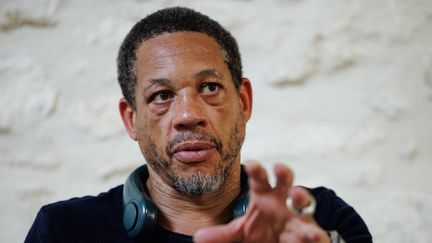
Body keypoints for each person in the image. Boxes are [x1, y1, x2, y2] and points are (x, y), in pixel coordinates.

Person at [25, 7, 372, 243]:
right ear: (131, 120)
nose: (189, 115)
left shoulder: (320, 219)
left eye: (209, 88)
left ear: (244, 102)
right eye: (162, 95)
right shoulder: (64, 230)